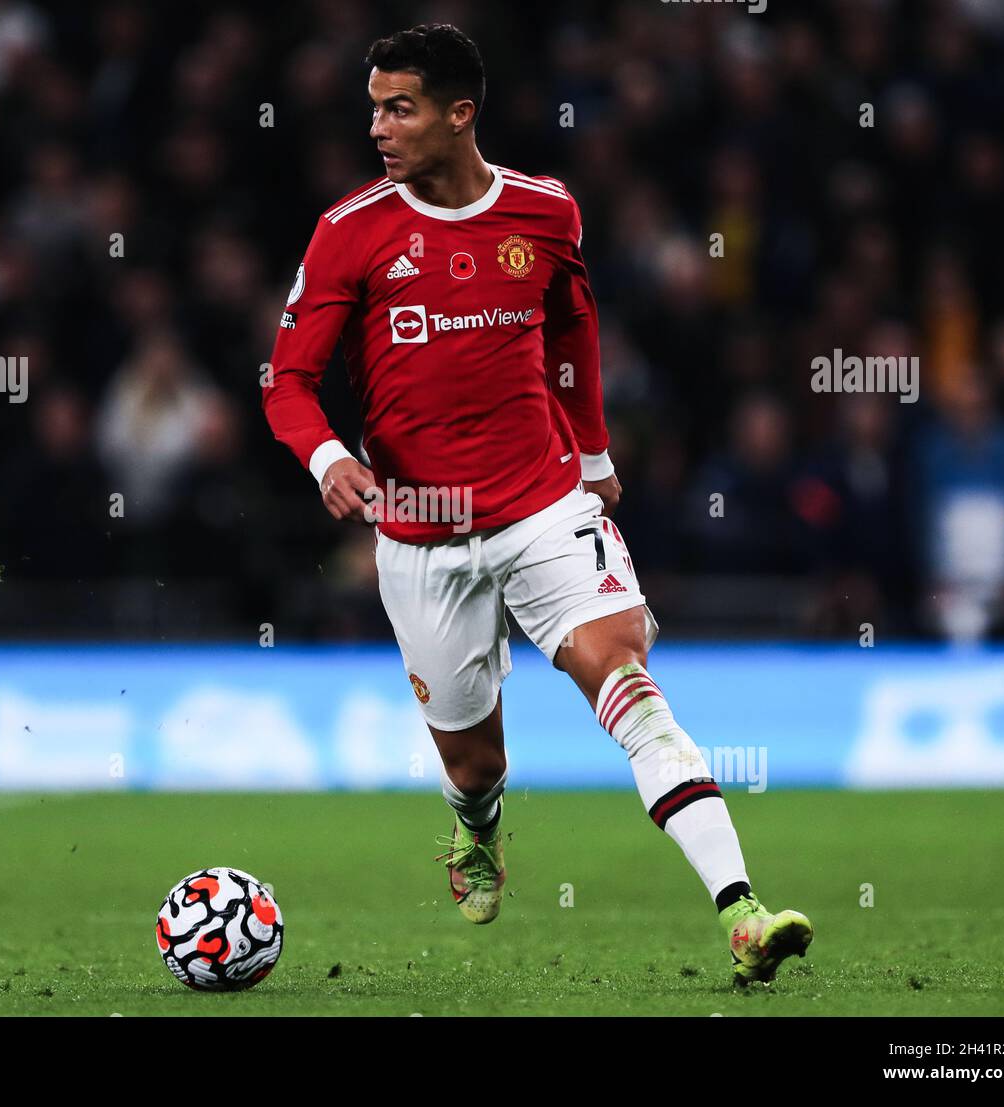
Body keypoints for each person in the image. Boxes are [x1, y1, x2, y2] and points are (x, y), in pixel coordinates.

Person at [262, 23, 812, 984]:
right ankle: (479, 833)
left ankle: (742, 911)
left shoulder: (546, 212)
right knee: (474, 764)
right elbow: (287, 382)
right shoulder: (350, 232)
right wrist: (325, 459)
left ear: (459, 113)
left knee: (627, 680)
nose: (380, 128)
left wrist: (593, 453)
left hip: (542, 506)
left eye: (400, 108)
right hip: (421, 532)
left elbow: (574, 329)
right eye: (374, 109)